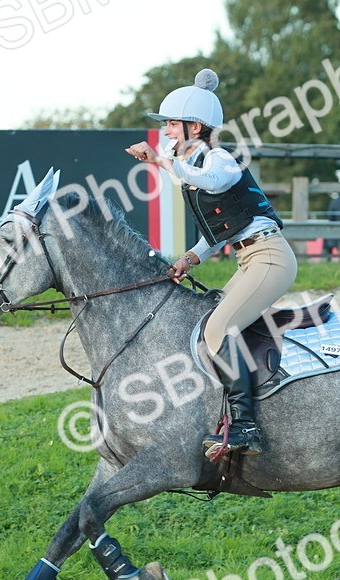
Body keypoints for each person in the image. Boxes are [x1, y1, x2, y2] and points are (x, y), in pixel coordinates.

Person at [126, 68, 295, 457]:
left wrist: (160, 162)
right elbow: (222, 226)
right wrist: (192, 256)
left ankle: (247, 428)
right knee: (210, 320)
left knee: (218, 328)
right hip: (250, 258)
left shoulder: (221, 157)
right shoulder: (197, 165)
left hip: (269, 257)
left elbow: (213, 182)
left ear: (196, 126)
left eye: (171, 124)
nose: (166, 132)